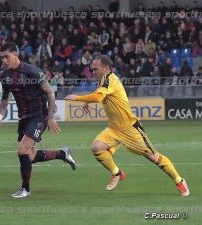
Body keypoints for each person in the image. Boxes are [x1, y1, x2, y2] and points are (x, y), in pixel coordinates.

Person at [64, 55, 189, 197]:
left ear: (106, 68)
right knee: (97, 147)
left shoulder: (109, 79)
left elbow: (98, 97)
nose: (93, 72)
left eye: (95, 69)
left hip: (130, 128)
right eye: (92, 69)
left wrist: (78, 98)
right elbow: (98, 94)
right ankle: (117, 173)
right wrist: (88, 102)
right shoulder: (102, 80)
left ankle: (179, 181)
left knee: (154, 157)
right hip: (114, 128)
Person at [0, 42, 77, 198]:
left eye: (6, 57)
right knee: (29, 156)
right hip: (24, 118)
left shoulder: (32, 71)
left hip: (39, 115)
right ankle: (62, 153)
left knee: (22, 150)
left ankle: (25, 189)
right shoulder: (5, 76)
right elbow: (5, 98)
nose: (4, 60)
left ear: (15, 55)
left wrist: (51, 117)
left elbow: (50, 93)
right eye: (1, 58)